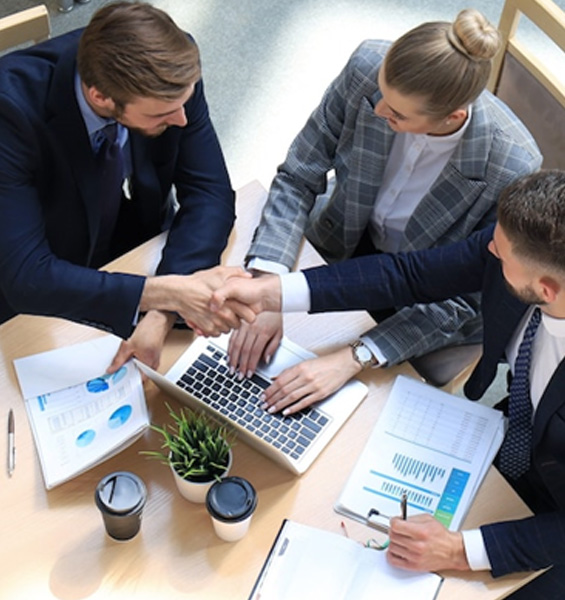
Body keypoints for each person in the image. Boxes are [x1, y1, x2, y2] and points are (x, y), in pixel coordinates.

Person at [212, 169, 565, 597]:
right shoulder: (515, 250)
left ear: (546, 290)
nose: (489, 248)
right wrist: (273, 293)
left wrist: (460, 550)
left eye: (501, 253)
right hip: (517, 441)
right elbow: (409, 276)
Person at [228, 9, 541, 414]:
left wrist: (355, 356)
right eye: (381, 95)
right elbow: (298, 176)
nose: (377, 111)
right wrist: (269, 286)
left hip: (426, 297)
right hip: (341, 241)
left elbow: (463, 301)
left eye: (397, 114)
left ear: (452, 117)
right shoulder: (367, 66)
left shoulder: (512, 167)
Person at [0, 1, 252, 372]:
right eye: (161, 114)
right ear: (100, 96)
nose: (182, 120)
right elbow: (27, 278)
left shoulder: (172, 75)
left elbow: (210, 193)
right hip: (29, 263)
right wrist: (162, 293)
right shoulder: (9, 113)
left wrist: (162, 311)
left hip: (121, 239)